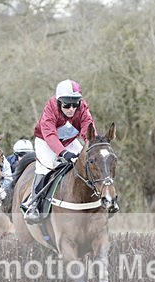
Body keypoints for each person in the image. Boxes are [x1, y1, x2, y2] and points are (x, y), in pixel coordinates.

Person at [22, 79, 94, 223]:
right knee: (46, 166)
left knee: (88, 162)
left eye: (75, 104)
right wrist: (63, 153)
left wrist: (92, 145)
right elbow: (50, 135)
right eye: (67, 105)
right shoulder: (50, 107)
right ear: (59, 102)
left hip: (69, 141)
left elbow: (88, 129)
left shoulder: (83, 108)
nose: (72, 109)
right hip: (45, 141)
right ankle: (33, 204)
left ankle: (100, 198)